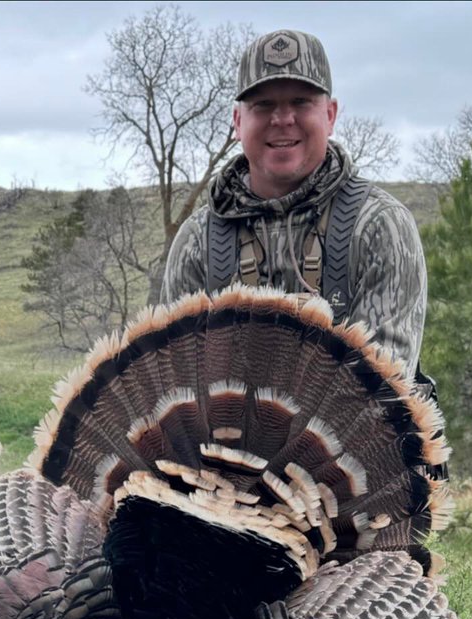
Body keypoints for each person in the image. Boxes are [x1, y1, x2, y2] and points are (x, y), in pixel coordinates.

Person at [162, 30, 427, 376]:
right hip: (222, 432)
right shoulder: (198, 241)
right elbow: (177, 382)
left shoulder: (380, 227)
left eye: (301, 102)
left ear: (330, 114)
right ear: (238, 121)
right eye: (264, 105)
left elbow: (383, 398)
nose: (283, 119)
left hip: (353, 431)